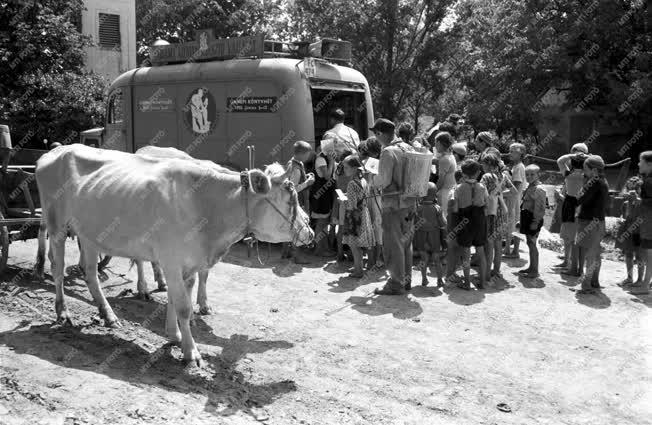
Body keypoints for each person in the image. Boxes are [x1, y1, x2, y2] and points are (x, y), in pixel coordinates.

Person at [371, 118, 418, 295]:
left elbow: (383, 180)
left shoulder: (389, 152)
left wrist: (370, 177)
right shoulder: (408, 147)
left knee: (393, 244)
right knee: (406, 243)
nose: (375, 138)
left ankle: (395, 283)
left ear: (380, 133)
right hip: (410, 203)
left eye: (375, 134)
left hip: (393, 204)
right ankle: (406, 280)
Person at [574, 155, 609, 293]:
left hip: (590, 221)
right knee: (595, 253)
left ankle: (586, 284)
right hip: (599, 221)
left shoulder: (594, 182)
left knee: (590, 254)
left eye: (585, 169)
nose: (583, 172)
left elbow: (581, 200)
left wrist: (574, 197)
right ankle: (594, 281)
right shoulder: (603, 181)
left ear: (594, 170)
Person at [451, 160, 488, 290]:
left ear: (463, 174)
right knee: (481, 252)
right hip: (479, 221)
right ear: (478, 173)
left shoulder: (458, 188)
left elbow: (455, 209)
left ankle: (467, 283)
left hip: (464, 222)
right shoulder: (482, 187)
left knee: (465, 254)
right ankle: (482, 282)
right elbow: (486, 205)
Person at [480, 153, 516, 281]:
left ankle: (486, 274)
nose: (481, 166)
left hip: (490, 212)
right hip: (502, 211)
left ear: (488, 164)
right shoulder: (504, 176)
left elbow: (481, 191)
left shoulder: (486, 176)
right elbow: (514, 192)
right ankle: (496, 271)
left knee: (489, 242)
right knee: (498, 242)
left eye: (483, 164)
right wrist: (500, 194)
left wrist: (491, 196)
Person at [341, 155, 376, 278]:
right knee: (360, 244)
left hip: (354, 217)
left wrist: (343, 201)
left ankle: (358, 271)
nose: (344, 170)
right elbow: (360, 197)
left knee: (354, 245)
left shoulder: (351, 183)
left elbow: (352, 205)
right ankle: (359, 267)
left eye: (346, 167)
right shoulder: (363, 180)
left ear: (355, 168)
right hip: (364, 214)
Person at [281, 141, 315, 263]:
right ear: (301, 154)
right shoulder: (295, 168)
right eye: (307, 154)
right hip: (297, 201)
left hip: (293, 201)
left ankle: (286, 252)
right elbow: (293, 188)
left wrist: (306, 177)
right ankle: (297, 256)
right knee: (298, 227)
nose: (309, 156)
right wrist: (308, 183)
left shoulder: (295, 163)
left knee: (290, 226)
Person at [555, 152, 587, 275]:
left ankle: (571, 264)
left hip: (570, 204)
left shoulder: (569, 174)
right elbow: (601, 165)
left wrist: (571, 155)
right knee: (574, 236)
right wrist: (586, 156)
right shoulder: (586, 175)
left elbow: (559, 160)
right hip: (577, 204)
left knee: (570, 236)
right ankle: (572, 263)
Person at [628, 151, 652, 295]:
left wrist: (639, 200)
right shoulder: (647, 179)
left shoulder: (649, 181)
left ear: (649, 164)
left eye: (640, 161)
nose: (638, 164)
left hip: (649, 221)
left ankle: (644, 287)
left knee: (649, 255)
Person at [414, 182, 446, 287]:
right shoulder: (437, 208)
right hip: (434, 237)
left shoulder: (418, 208)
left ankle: (424, 279)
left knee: (424, 259)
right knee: (436, 259)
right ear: (435, 195)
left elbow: (414, 223)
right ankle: (440, 280)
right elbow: (443, 224)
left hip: (421, 237)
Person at [518, 165, 547, 278]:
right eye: (527, 175)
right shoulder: (530, 187)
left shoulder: (538, 189)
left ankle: (535, 270)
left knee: (532, 243)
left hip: (533, 219)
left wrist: (535, 222)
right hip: (527, 217)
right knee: (529, 243)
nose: (529, 177)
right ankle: (531, 267)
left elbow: (540, 208)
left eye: (532, 175)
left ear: (538, 175)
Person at [359, 138, 384, 269]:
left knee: (377, 227)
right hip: (370, 196)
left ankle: (378, 258)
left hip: (376, 197)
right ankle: (373, 258)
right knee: (371, 226)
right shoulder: (364, 162)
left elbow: (377, 182)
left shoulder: (380, 163)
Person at [309, 139, 336, 257]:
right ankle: (320, 249)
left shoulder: (324, 158)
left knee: (324, 222)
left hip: (324, 194)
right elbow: (327, 176)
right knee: (321, 222)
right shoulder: (321, 159)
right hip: (320, 195)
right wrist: (331, 161)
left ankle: (323, 248)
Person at [616, 176, 644, 287]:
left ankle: (640, 279)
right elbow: (624, 215)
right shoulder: (625, 203)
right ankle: (629, 277)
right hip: (628, 231)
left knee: (639, 256)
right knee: (628, 254)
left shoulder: (641, 203)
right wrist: (621, 219)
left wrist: (636, 199)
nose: (631, 192)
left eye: (635, 190)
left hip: (639, 232)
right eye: (629, 189)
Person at [504, 142, 526, 258]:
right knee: (511, 224)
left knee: (514, 224)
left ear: (520, 153)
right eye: (510, 150)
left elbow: (516, 188)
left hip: (515, 201)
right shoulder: (516, 166)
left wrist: (500, 193)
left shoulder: (518, 167)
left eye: (513, 151)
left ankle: (515, 251)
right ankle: (508, 249)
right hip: (513, 200)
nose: (510, 153)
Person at [433, 132, 456, 217]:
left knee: (443, 218)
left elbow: (441, 180)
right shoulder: (450, 156)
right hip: (449, 191)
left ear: (439, 143)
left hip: (444, 193)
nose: (434, 146)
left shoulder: (444, 159)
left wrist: (433, 192)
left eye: (435, 143)